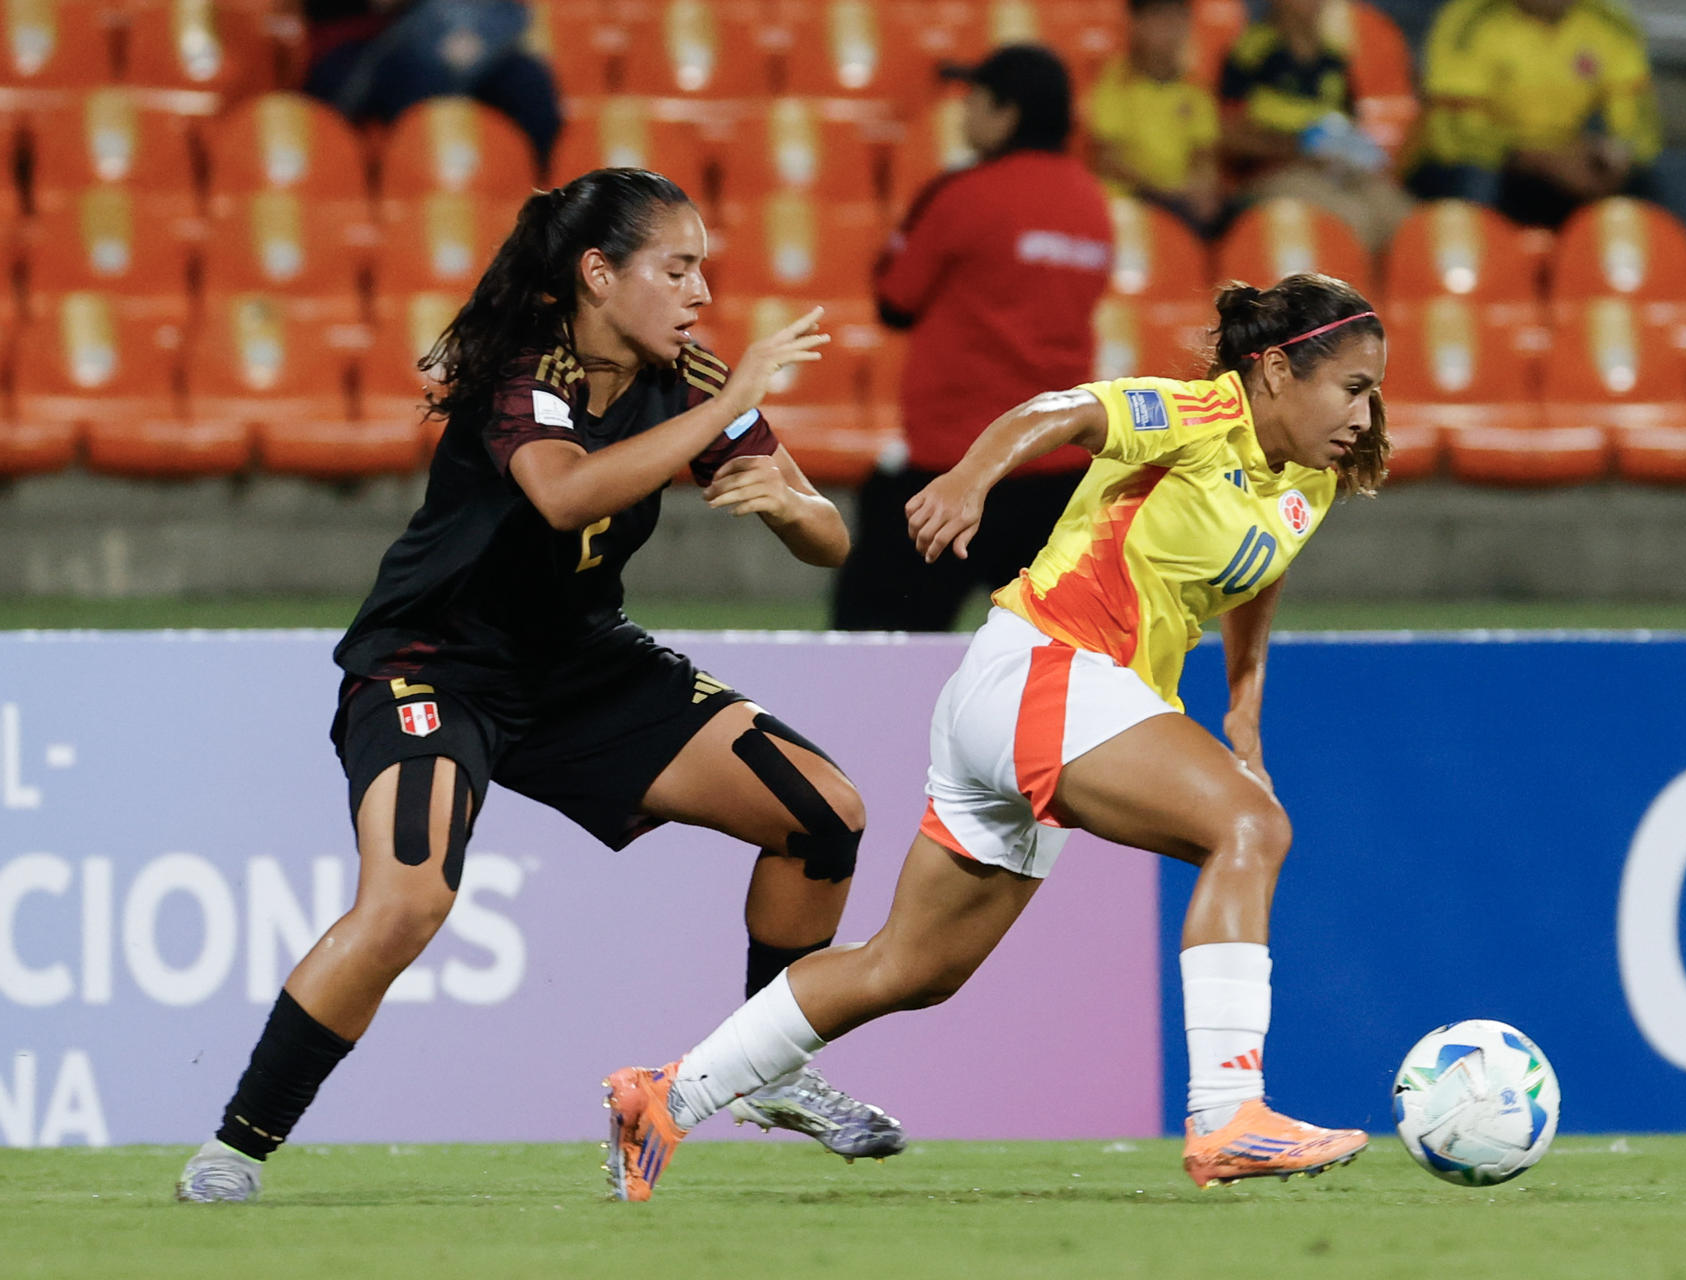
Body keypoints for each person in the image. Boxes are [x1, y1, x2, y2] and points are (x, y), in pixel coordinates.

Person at [176, 168, 904, 1204]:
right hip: (433, 665)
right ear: (599, 274)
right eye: (677, 267)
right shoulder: (525, 373)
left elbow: (829, 535)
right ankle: (234, 1147)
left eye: (705, 269)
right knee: (408, 898)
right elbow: (564, 495)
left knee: (822, 812)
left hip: (579, 664)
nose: (700, 292)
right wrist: (733, 404)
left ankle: (768, 1068)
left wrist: (787, 509)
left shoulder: (691, 377)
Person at [602, 272, 1391, 1201]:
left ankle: (661, 1096)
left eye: (1376, 389)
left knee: (912, 968)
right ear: (1272, 372)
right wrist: (970, 479)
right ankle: (1229, 1116)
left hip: (1035, 701)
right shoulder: (1197, 412)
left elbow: (1257, 569)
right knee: (1252, 829)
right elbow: (1057, 412)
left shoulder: (1310, 477)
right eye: (1352, 388)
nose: (1368, 412)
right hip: (1050, 671)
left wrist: (1245, 706)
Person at [830, 44, 1113, 633]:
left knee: (877, 643)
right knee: (1053, 656)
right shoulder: (1093, 204)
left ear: (1006, 113)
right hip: (1058, 471)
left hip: (952, 468)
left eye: (975, 101)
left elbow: (895, 300)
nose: (962, 115)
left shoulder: (963, 194)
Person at [1410, 0, 1660, 228]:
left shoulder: (1609, 21)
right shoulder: (1471, 18)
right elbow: (1453, 133)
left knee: (1646, 192)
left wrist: (1616, 157)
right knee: (1474, 181)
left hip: (1571, 162)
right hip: (1494, 161)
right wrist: (1538, 159)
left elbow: (1639, 125)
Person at [1217, 0, 1414, 252]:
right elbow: (1229, 134)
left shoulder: (1334, 58)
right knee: (1352, 223)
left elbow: (1348, 126)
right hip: (1274, 172)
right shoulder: (1249, 52)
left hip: (1335, 170)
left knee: (1403, 220)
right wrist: (1298, 147)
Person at [302, 0, 563, 167]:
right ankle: (417, 191)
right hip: (359, 44)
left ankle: (547, 189)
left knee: (527, 78)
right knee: (423, 75)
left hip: (441, 30)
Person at [1085, 0, 1225, 237]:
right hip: (1129, 198)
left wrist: (1200, 189)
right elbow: (1108, 159)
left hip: (1181, 201)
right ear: (1137, 24)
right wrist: (1164, 190)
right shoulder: (1115, 80)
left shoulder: (1197, 90)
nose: (1171, 28)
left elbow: (1204, 157)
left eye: (1179, 18)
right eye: (1160, 17)